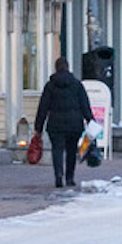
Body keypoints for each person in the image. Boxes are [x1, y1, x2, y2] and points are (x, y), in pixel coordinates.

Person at [34, 56, 94, 188]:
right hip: (74, 124)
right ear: (68, 67)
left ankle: (58, 175)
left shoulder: (50, 86)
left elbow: (43, 107)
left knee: (57, 149)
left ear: (55, 68)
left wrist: (38, 127)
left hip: (55, 124)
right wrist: (90, 121)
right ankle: (70, 178)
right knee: (71, 151)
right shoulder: (77, 85)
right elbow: (85, 105)